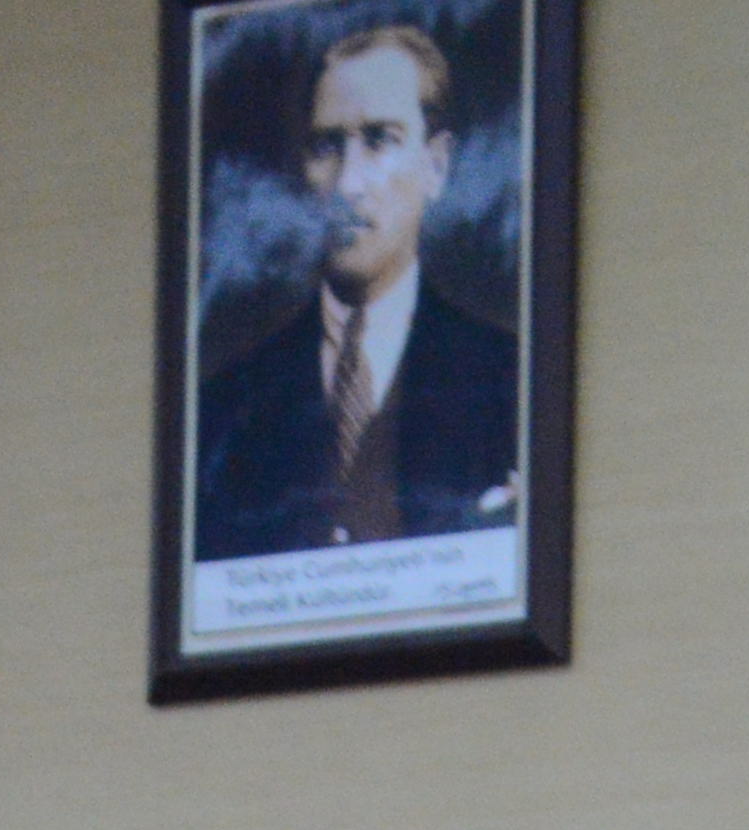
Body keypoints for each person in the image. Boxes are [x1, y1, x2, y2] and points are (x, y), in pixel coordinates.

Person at [187, 24, 516, 563]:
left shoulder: (510, 382)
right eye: (326, 146)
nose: (347, 184)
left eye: (379, 139)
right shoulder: (224, 410)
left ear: (436, 166)